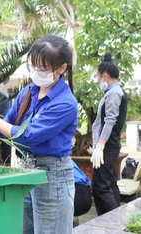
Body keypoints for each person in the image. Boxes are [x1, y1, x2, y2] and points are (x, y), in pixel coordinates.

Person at [0, 34, 78, 233]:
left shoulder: (65, 104)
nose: (37, 72)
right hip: (27, 169)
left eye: (44, 68)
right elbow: (6, 126)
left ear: (62, 68)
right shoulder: (29, 92)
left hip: (52, 176)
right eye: (33, 66)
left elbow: (25, 135)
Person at [90, 52, 127, 216]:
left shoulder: (113, 93)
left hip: (108, 146)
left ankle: (113, 222)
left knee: (100, 186)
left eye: (98, 76)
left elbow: (110, 121)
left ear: (104, 76)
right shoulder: (113, 91)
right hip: (108, 145)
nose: (97, 80)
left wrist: (100, 145)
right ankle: (114, 223)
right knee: (110, 183)